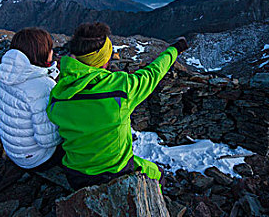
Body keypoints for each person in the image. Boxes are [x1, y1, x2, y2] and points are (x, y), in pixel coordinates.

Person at [46, 22, 188, 190]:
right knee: (155, 172)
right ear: (104, 60)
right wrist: (175, 49)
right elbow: (154, 72)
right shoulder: (122, 88)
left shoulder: (58, 94)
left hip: (76, 174)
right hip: (114, 171)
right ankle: (162, 187)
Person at [0, 27, 62, 170]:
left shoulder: (5, 76)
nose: (53, 52)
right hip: (37, 158)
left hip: (14, 151)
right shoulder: (43, 86)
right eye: (50, 48)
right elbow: (48, 140)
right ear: (41, 52)